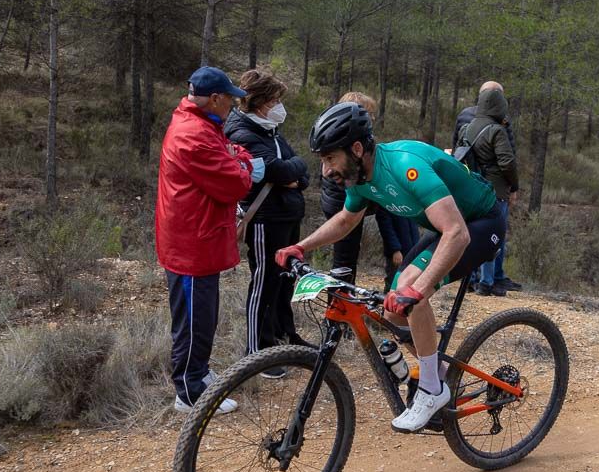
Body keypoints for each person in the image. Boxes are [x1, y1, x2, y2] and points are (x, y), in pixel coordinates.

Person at [275, 102, 506, 433]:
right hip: (450, 226)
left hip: (481, 223)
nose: (326, 170)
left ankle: (431, 390)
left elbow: (457, 233)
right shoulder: (358, 176)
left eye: (330, 158)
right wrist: (301, 247)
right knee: (393, 312)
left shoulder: (404, 166)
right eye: (323, 160)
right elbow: (346, 220)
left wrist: (419, 289)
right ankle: (438, 372)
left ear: (356, 149)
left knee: (411, 288)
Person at [155, 66, 261, 414]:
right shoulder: (194, 135)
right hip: (191, 244)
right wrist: (241, 164)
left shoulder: (201, 126)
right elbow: (236, 182)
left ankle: (198, 373)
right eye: (230, 98)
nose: (232, 104)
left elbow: (235, 155)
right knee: (193, 317)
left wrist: (237, 159)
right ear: (214, 98)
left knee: (202, 313)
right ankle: (189, 390)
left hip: (198, 237)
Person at [225, 69, 312, 380]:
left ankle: (285, 337)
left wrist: (293, 173)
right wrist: (289, 172)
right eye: (274, 99)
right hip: (264, 218)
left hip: (287, 215)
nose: (279, 106)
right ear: (259, 102)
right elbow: (279, 170)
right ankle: (257, 350)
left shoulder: (269, 129)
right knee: (264, 282)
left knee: (286, 279)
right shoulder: (243, 132)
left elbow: (297, 170)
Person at [318, 92, 418, 287]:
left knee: (347, 260)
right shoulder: (342, 151)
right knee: (344, 262)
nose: (371, 119)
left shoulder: (358, 145)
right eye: (368, 114)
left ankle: (343, 306)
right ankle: (338, 311)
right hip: (341, 205)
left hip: (344, 203)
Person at [458, 81, 520, 296]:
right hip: (496, 189)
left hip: (473, 187)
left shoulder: (467, 127)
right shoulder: (497, 130)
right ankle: (487, 282)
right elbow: (507, 162)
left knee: (475, 233)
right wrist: (513, 184)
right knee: (495, 235)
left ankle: (471, 279)